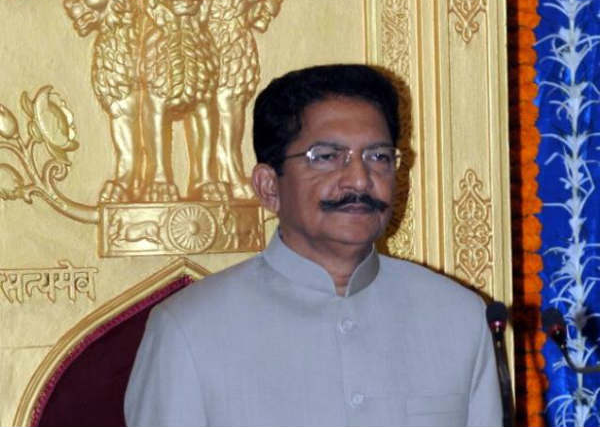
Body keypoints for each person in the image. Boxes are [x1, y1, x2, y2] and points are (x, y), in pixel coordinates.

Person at [124, 64, 502, 426]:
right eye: (326, 157)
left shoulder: (458, 317)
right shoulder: (189, 328)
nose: (359, 180)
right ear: (269, 186)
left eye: (378, 157)